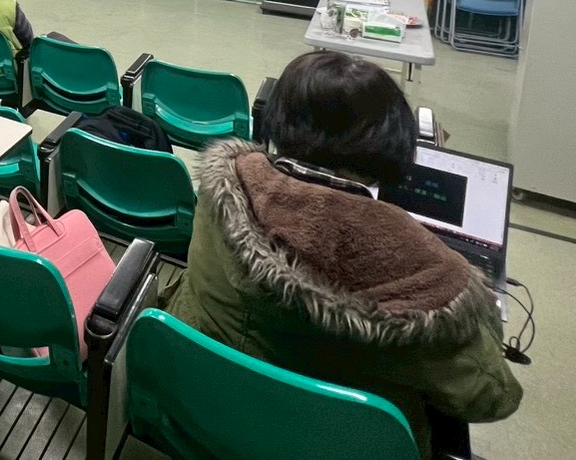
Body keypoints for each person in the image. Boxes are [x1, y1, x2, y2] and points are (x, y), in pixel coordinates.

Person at [168, 52, 521, 456]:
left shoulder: (224, 190)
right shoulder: (433, 285)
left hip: (204, 412)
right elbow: (492, 397)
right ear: (391, 144)